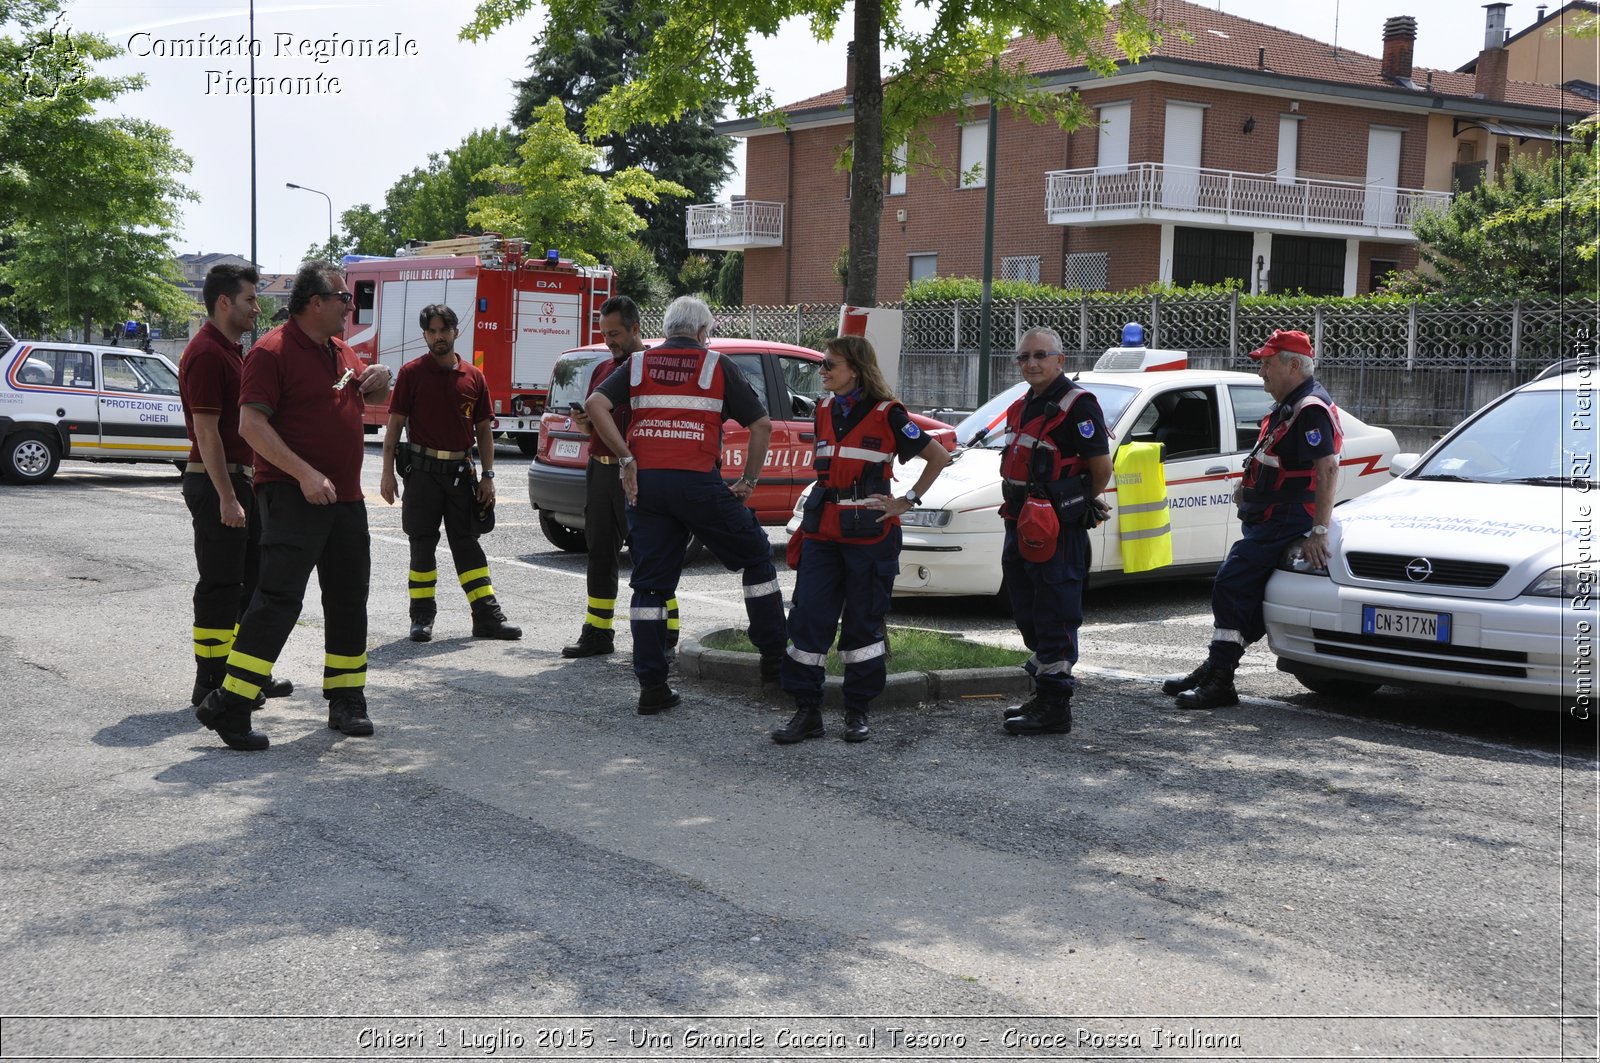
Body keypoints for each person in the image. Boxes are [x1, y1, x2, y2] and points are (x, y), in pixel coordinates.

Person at [193, 261, 393, 751]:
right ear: (315, 301)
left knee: (349, 600)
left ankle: (347, 699)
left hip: (345, 499)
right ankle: (232, 704)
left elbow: (370, 400)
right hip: (291, 496)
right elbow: (250, 427)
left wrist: (379, 380)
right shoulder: (271, 351)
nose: (351, 306)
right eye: (344, 298)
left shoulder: (342, 351)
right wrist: (304, 474)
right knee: (277, 602)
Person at [585, 295, 786, 714]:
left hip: (648, 487)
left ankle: (652, 686)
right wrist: (748, 481)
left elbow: (595, 406)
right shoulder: (717, 365)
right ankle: (774, 662)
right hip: (698, 483)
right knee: (756, 555)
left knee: (651, 585)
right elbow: (762, 424)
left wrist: (626, 459)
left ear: (668, 328)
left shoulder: (637, 365)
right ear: (700, 332)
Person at [772, 336, 951, 744]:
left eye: (830, 364)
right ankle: (807, 712)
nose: (823, 371)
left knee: (863, 625)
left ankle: (857, 712)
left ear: (855, 368)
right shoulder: (822, 409)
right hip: (823, 533)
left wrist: (906, 501)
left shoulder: (889, 413)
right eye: (822, 364)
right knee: (808, 621)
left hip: (870, 535)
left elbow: (938, 456)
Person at [1163, 329, 1341, 710]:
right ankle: (1216, 668)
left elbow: (1327, 469)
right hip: (1269, 516)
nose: (1261, 371)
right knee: (1248, 594)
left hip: (1286, 518)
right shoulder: (1289, 405)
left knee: (1230, 583)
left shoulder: (1309, 408)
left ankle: (1220, 680)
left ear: (1293, 365)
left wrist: (1319, 531)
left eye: (1267, 364)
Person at [178, 263, 293, 708]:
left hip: (236, 479)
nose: (256, 307)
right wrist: (226, 496)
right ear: (223, 301)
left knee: (250, 583)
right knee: (221, 584)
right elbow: (205, 433)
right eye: (249, 299)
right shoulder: (207, 353)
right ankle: (209, 682)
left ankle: (244, 675)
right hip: (215, 480)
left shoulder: (229, 350)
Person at [379, 304, 520, 643]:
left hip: (461, 473)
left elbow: (484, 430)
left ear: (456, 331)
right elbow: (395, 426)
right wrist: (387, 474)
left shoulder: (474, 376)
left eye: (444, 330)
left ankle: (487, 617)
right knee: (422, 545)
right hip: (422, 474)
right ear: (425, 335)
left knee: (467, 544)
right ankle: (422, 618)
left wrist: (488, 476)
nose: (438, 336)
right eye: (432, 331)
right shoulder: (412, 373)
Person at [999, 326, 1113, 737]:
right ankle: (1044, 687)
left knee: (1055, 610)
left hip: (1055, 530)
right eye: (1024, 357)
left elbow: (1100, 470)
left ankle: (1055, 705)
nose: (1031, 363)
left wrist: (1073, 503)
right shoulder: (1023, 405)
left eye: (1040, 355)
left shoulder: (1079, 406)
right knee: (1026, 607)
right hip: (1019, 521)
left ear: (1059, 360)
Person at [561, 295, 679, 658]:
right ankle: (598, 632)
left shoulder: (653, 369)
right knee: (599, 551)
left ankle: (665, 632)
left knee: (649, 554)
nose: (609, 341)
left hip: (637, 474)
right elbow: (595, 425)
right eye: (604, 333)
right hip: (600, 469)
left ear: (635, 329)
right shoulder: (602, 369)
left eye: (614, 334)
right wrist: (585, 423)